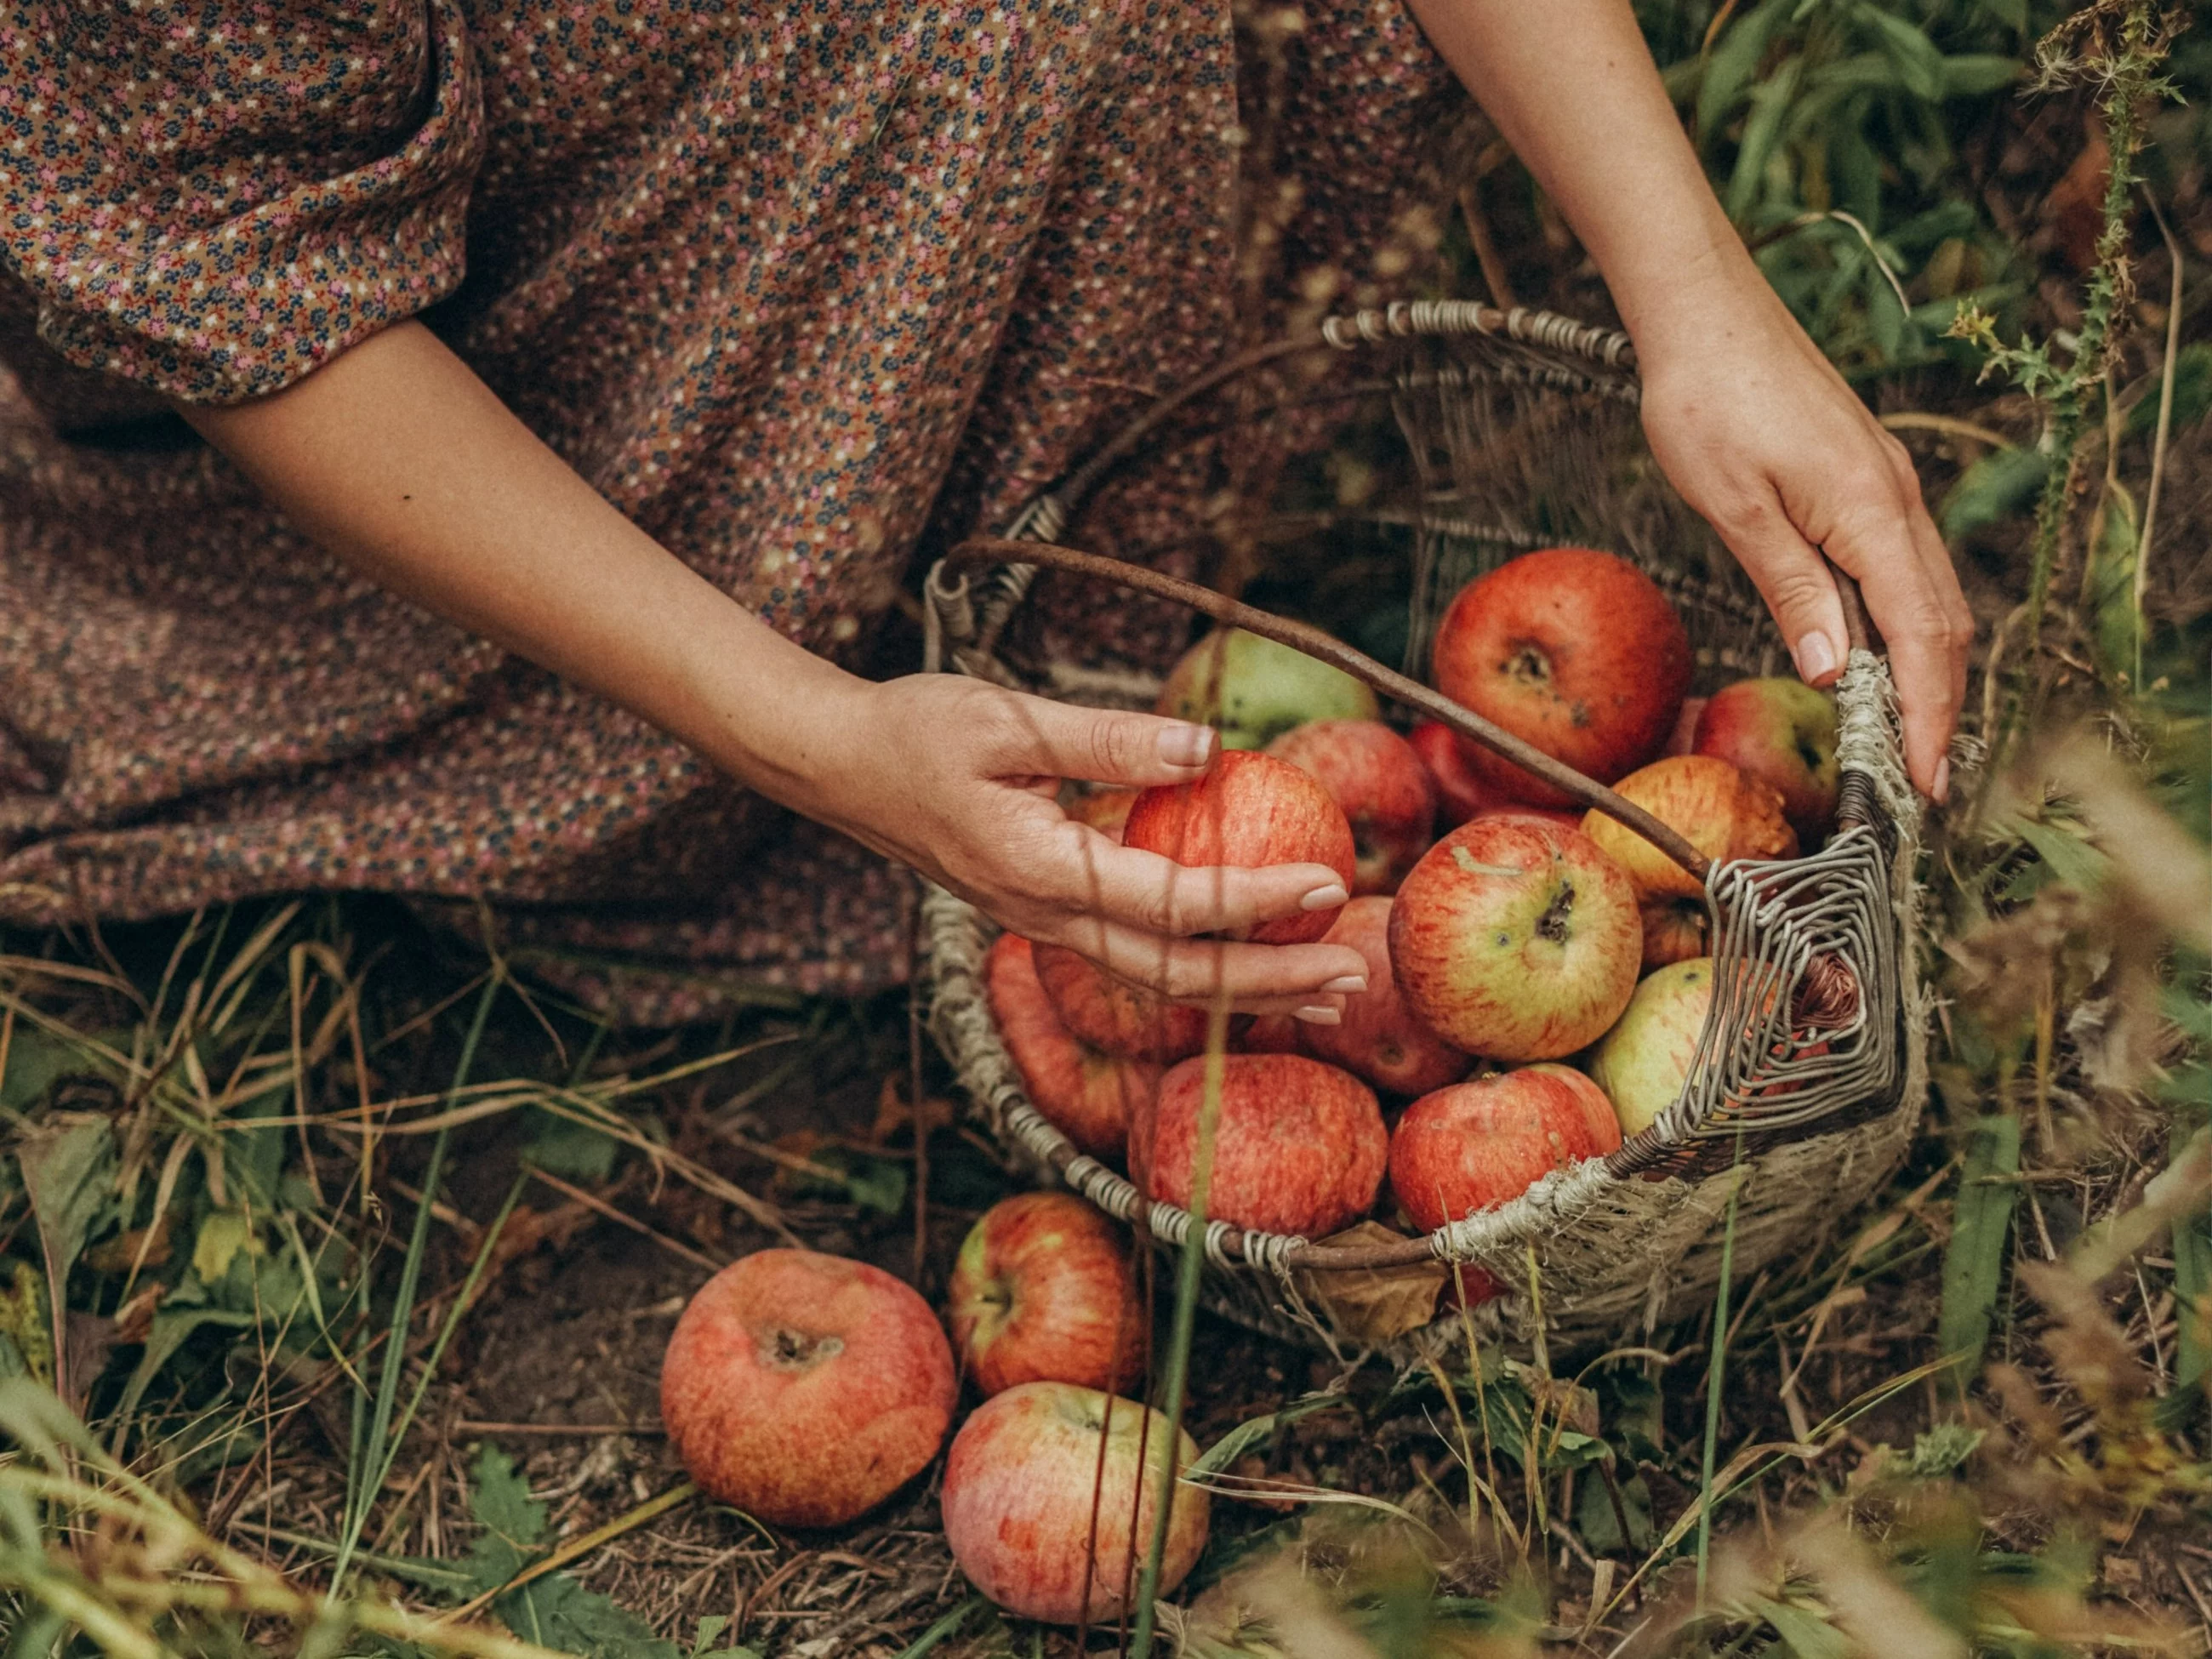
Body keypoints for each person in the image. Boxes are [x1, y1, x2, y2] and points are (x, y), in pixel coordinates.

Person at [0, 0, 1970, 1028]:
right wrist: (820, 743)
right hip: (490, 357)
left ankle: (1010, 561)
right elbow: (253, 278)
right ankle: (704, 739)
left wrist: (1690, 287)